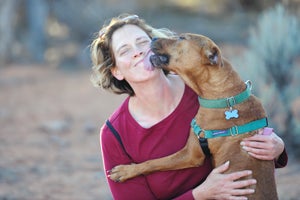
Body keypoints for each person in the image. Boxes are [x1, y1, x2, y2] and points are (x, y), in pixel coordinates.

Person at [90, 13, 288, 200]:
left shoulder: (206, 93)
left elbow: (246, 141)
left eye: (142, 42)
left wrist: (276, 148)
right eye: (125, 50)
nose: (138, 52)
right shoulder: (114, 135)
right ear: (116, 71)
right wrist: (200, 194)